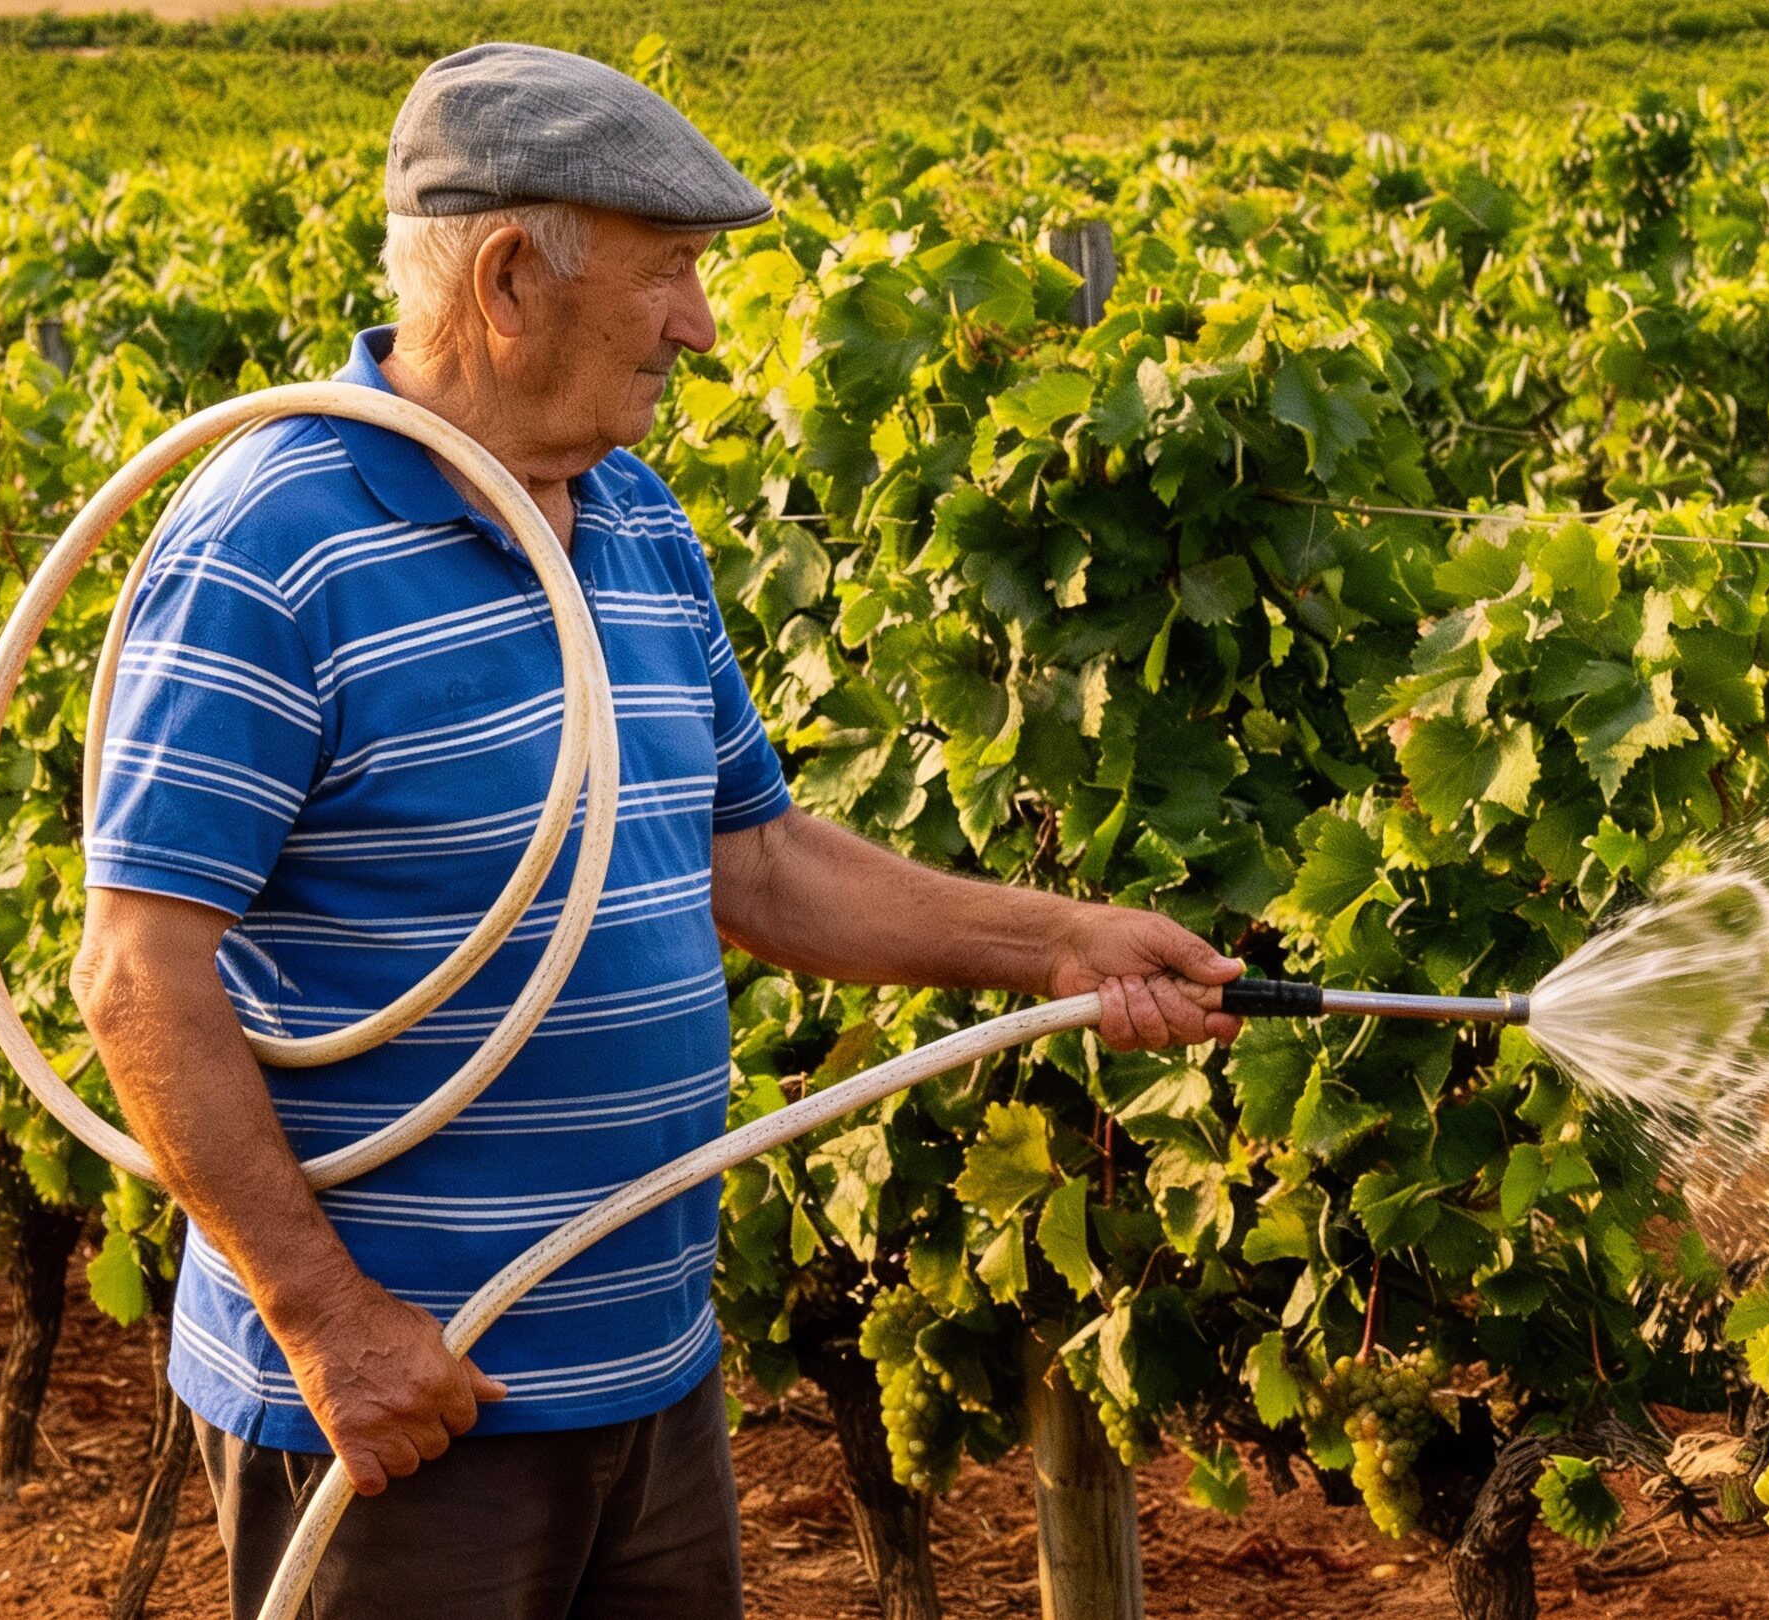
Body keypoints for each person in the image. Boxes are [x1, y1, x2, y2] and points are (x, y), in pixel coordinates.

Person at [69, 42, 1244, 1620]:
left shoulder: (629, 519)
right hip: (412, 1403)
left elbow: (748, 858)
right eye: (670, 274)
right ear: (505, 278)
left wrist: (1059, 943)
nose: (700, 323)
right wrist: (333, 1324)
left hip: (645, 1367)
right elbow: (138, 977)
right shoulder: (274, 545)